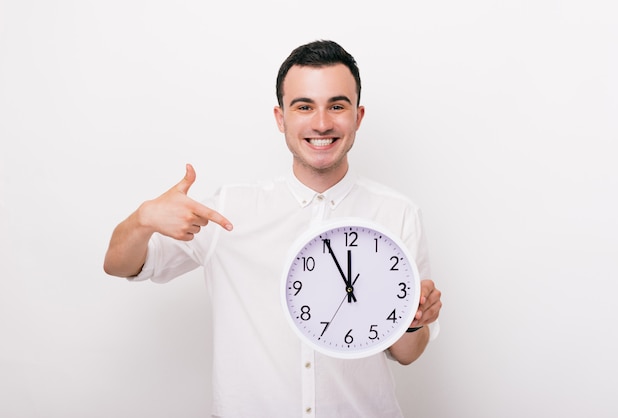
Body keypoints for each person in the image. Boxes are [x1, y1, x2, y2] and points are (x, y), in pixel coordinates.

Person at [104, 39, 442, 418]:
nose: (322, 123)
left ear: (357, 117)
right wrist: (143, 219)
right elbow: (119, 265)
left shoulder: (397, 214)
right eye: (304, 106)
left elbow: (408, 354)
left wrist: (413, 323)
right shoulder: (228, 211)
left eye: (337, 105)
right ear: (281, 118)